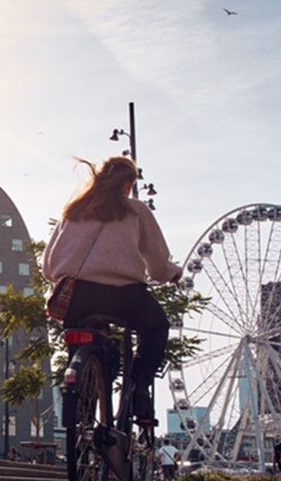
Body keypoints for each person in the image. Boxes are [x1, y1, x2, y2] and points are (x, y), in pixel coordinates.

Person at [43, 157, 182, 423]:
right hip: (124, 296)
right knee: (156, 327)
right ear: (128, 184)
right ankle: (138, 387)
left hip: (78, 297)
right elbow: (157, 266)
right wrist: (172, 273)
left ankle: (82, 413)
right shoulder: (135, 210)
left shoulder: (73, 211)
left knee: (82, 345)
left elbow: (49, 265)